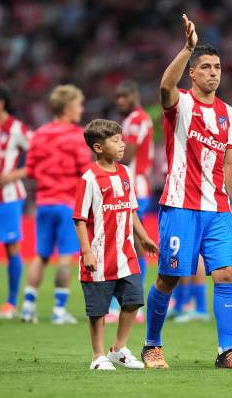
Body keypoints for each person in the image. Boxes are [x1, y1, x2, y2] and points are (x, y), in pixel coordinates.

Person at [141, 14, 232, 369]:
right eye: (205, 67)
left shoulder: (229, 114)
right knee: (169, 276)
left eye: (217, 67)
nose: (213, 72)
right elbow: (163, 87)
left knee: (225, 273)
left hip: (218, 208)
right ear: (192, 73)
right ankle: (151, 346)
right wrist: (187, 48)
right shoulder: (181, 104)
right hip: (180, 204)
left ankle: (226, 352)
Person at [74, 119, 159, 371]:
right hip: (99, 256)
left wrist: (143, 237)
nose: (122, 145)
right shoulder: (89, 179)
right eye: (116, 141)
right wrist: (87, 251)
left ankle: (118, 348)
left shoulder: (124, 173)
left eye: (122, 140)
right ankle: (97, 355)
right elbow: (79, 219)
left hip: (126, 254)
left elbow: (131, 210)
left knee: (133, 300)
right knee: (98, 310)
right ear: (98, 147)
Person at [19, 84, 92, 324]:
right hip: (67, 204)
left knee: (40, 255)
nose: (81, 109)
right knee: (65, 256)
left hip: (43, 203)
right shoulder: (76, 136)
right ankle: (59, 311)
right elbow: (85, 172)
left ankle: (28, 307)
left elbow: (29, 170)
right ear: (68, 107)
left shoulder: (39, 134)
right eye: (79, 105)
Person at [0, 84, 31, 319]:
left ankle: (11, 302)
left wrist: (15, 174)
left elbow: (40, 155)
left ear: (0, 104)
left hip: (7, 198)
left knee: (11, 248)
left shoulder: (17, 128)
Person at [105, 80, 155, 324]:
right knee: (131, 244)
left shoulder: (136, 119)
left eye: (123, 96)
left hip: (133, 188)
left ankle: (129, 302)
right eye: (117, 97)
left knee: (129, 244)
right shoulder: (133, 120)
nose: (119, 102)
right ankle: (130, 301)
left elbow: (128, 154)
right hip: (135, 188)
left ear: (134, 96)